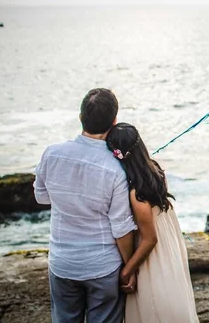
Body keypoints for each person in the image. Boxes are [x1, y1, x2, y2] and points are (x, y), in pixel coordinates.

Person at [34, 88, 137, 323]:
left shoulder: (51, 154)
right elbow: (121, 228)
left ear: (81, 117)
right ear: (114, 122)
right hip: (103, 265)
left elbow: (41, 197)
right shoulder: (115, 169)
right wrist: (129, 268)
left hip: (62, 262)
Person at [106, 122, 199, 323]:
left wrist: (127, 271)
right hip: (169, 247)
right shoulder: (155, 170)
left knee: (153, 307)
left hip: (151, 258)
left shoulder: (136, 193)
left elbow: (149, 239)